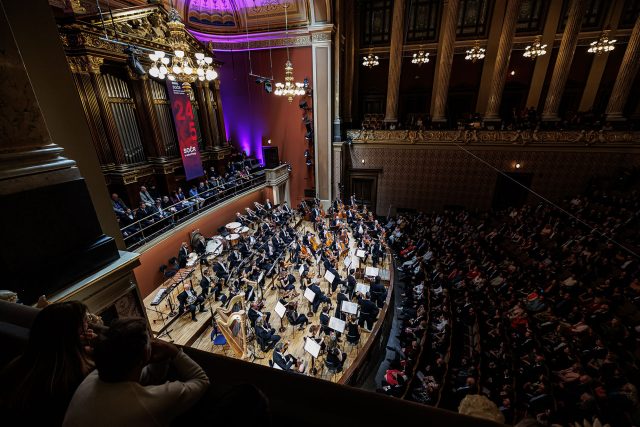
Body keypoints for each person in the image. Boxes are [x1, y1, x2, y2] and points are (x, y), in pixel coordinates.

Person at [63, 318, 210, 426]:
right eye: (150, 341)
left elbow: (146, 377)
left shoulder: (92, 378)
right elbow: (202, 380)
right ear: (145, 353)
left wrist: (159, 359)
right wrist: (175, 353)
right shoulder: (145, 404)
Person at [0, 301, 96, 426]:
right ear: (71, 335)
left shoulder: (19, 365)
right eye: (84, 322)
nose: (88, 325)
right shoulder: (75, 377)